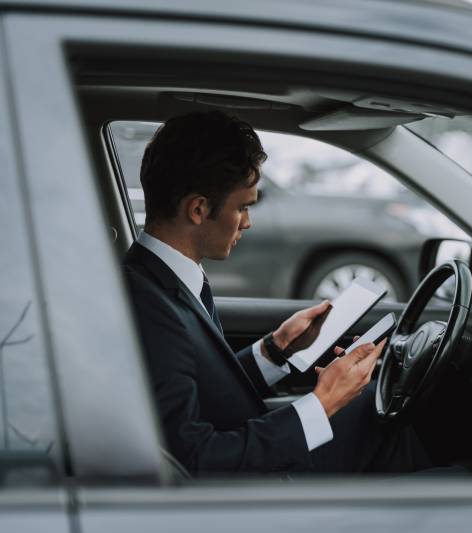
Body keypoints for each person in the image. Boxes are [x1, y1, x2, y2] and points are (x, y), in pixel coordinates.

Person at [122, 111, 430, 475]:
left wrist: (275, 349)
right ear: (199, 209)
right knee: (384, 423)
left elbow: (205, 393)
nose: (248, 222)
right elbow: (194, 462)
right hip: (252, 486)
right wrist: (323, 401)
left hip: (252, 451)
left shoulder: (159, 280)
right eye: (243, 207)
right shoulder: (150, 307)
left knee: (369, 407)